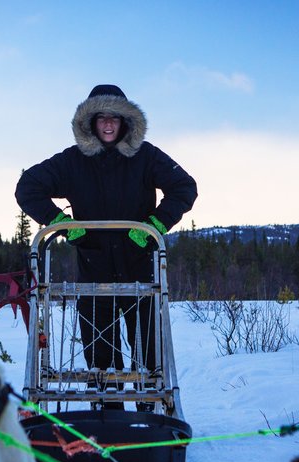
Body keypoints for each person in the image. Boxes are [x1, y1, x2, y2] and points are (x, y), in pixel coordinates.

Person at [15, 84, 197, 401]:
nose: (109, 124)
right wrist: (59, 221)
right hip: (93, 275)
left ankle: (151, 422)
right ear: (91, 122)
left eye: (115, 117)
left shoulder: (146, 156)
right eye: (102, 118)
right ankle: (106, 420)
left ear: (126, 121)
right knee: (102, 363)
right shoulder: (73, 162)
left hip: (141, 274)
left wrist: (156, 223)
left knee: (149, 359)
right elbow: (28, 187)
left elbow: (184, 187)